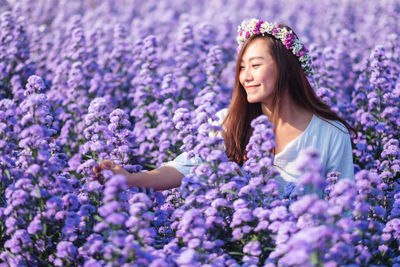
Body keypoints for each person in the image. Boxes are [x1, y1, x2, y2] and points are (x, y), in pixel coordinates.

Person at [94, 18, 356, 191]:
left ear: (286, 69)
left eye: (255, 65)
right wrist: (128, 178)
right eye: (242, 67)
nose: (245, 76)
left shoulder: (330, 134)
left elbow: (344, 210)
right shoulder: (227, 121)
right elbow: (183, 168)